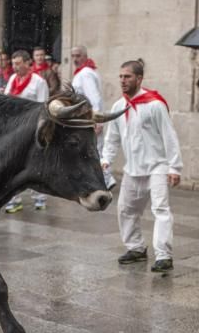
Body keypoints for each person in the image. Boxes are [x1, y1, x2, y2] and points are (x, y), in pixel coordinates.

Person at [102, 59, 182, 273]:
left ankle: (164, 256)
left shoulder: (155, 104)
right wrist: (106, 159)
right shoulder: (119, 106)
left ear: (139, 78)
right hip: (132, 169)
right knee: (126, 210)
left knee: (161, 210)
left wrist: (175, 167)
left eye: (127, 76)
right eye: (120, 76)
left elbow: (169, 136)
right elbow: (112, 138)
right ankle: (136, 248)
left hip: (157, 166)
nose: (123, 80)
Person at [3, 50, 49, 213]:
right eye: (13, 64)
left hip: (32, 127)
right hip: (14, 128)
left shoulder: (38, 81)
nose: (14, 67)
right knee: (13, 165)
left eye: (18, 63)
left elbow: (44, 106)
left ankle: (39, 198)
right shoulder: (12, 79)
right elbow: (7, 100)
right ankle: (14, 199)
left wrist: (40, 129)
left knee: (34, 164)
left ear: (28, 63)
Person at [71, 45, 115, 189]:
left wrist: (97, 120)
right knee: (94, 150)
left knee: (94, 151)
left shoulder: (85, 74)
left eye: (78, 55)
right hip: (85, 119)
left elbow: (94, 97)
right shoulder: (85, 72)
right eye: (73, 56)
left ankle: (107, 179)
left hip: (89, 120)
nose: (75, 59)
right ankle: (105, 179)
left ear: (85, 55)